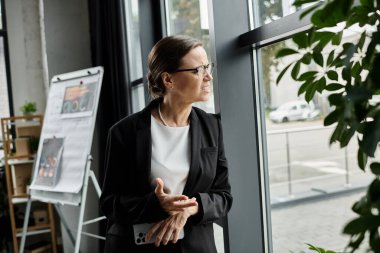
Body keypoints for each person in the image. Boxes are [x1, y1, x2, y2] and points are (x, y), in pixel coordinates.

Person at [100, 35, 233, 253]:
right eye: (198, 70)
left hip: (195, 246)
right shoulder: (124, 132)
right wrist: (155, 204)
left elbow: (223, 196)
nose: (208, 76)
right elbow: (110, 203)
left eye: (208, 67)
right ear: (168, 80)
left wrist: (190, 208)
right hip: (138, 246)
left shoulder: (212, 127)